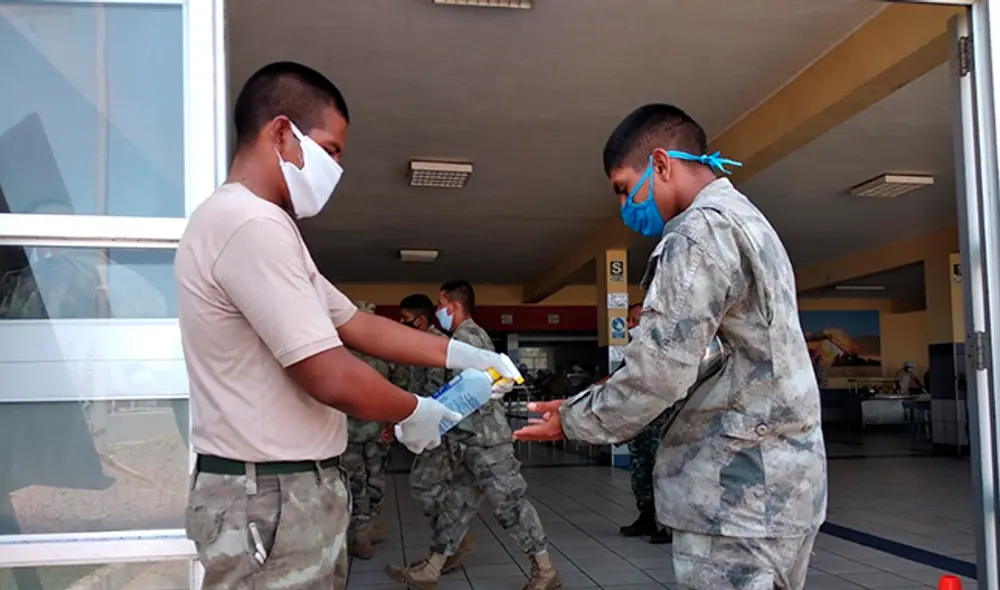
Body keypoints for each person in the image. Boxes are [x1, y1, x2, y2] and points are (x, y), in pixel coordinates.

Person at [175, 61, 518, 590]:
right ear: (282, 133)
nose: (336, 168)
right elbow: (328, 374)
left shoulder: (268, 227)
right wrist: (418, 411)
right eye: (331, 150)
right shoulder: (250, 224)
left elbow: (359, 325)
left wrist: (464, 356)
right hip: (268, 495)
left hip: (283, 489)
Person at [515, 104, 827, 590]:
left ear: (662, 163)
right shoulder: (749, 220)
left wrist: (573, 418)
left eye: (624, 188)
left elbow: (658, 371)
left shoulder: (697, 233)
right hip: (785, 488)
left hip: (734, 496)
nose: (624, 206)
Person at [386, 281, 559, 590]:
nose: (440, 311)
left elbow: (461, 395)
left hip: (487, 443)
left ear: (451, 305)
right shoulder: (464, 337)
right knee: (456, 505)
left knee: (511, 506)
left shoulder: (467, 337)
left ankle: (545, 571)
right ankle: (433, 568)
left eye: (441, 305)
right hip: (470, 441)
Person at [391, 293, 477, 575]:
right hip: (425, 426)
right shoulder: (415, 345)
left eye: (405, 319)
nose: (401, 324)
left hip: (440, 430)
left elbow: (440, 393)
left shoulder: (437, 346)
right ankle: (448, 545)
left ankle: (450, 542)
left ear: (421, 319)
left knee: (425, 486)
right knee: (426, 487)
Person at [617, 302, 672, 545]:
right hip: (639, 422)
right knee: (641, 471)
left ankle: (669, 526)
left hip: (660, 422)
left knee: (663, 474)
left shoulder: (666, 349)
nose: (630, 325)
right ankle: (646, 517)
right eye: (629, 321)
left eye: (634, 319)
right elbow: (621, 380)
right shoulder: (633, 351)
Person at [343, 301, 394, 560]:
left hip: (349, 432)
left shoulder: (340, 355)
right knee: (376, 481)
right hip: (378, 431)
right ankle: (369, 529)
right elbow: (398, 391)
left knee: (355, 483)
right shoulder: (382, 356)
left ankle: (361, 534)